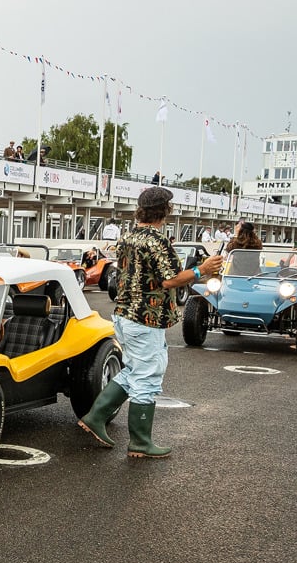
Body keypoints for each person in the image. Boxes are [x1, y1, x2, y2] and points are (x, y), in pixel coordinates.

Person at [77, 186, 224, 459]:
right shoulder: (158, 241)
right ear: (164, 210)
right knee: (148, 376)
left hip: (124, 314)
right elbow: (169, 280)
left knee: (133, 370)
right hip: (147, 318)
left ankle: (96, 416)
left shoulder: (127, 238)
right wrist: (201, 270)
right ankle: (140, 442)